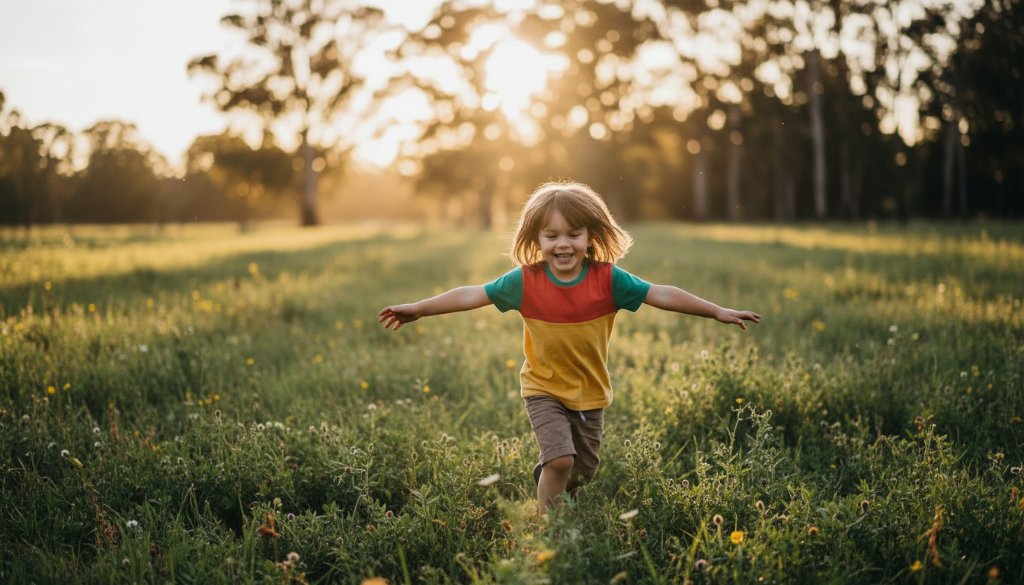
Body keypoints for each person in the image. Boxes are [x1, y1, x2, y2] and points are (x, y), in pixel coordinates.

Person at [378, 181, 761, 514]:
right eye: (551, 235)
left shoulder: (609, 280)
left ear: (590, 237)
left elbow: (660, 293)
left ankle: (551, 477)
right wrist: (419, 309)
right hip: (543, 388)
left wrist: (716, 311)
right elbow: (472, 294)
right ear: (536, 240)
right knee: (562, 460)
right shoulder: (525, 282)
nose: (563, 244)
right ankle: (551, 527)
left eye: (573, 234)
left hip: (590, 393)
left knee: (582, 471)